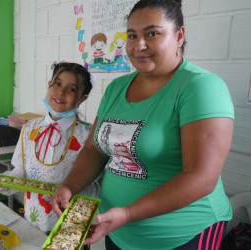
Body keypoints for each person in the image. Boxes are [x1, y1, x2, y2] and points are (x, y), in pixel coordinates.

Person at [52, 0, 234, 249]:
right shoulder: (116, 88)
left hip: (181, 237)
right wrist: (69, 186)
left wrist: (127, 214)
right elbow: (95, 149)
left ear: (179, 35)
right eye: (132, 35)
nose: (139, 45)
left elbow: (201, 178)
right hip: (118, 232)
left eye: (152, 33)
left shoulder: (200, 88)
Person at [0, 62, 101, 234]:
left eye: (72, 89)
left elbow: (97, 184)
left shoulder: (89, 136)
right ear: (49, 85)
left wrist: (71, 194)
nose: (61, 92)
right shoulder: (30, 128)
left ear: (82, 98)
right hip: (34, 216)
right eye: (57, 84)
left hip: (70, 221)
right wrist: (5, 182)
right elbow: (21, 172)